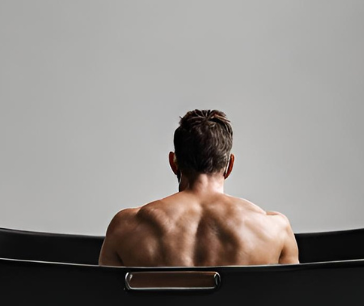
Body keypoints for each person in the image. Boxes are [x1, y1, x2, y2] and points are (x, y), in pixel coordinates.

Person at [98, 109, 299, 267]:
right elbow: (290, 301)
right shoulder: (276, 229)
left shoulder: (124, 227)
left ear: (173, 162)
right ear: (229, 165)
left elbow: (107, 304)